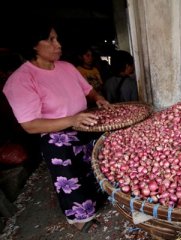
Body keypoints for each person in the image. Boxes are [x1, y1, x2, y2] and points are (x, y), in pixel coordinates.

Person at [2, 22, 111, 232]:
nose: (58, 44)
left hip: (85, 127)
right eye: (51, 39)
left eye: (57, 38)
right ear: (34, 45)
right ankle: (80, 218)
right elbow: (30, 125)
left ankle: (98, 201)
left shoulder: (67, 67)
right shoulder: (21, 80)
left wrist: (98, 98)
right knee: (70, 179)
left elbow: (88, 90)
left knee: (93, 169)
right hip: (57, 138)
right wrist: (71, 120)